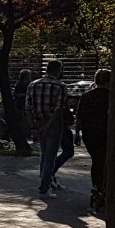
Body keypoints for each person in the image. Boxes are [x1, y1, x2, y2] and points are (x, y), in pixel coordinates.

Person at [25, 60, 67, 198]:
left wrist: (33, 126)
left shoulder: (33, 84)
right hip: (53, 124)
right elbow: (58, 109)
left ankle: (44, 182)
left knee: (43, 155)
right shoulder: (60, 86)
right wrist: (48, 126)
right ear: (58, 70)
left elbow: (28, 107)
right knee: (50, 157)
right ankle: (44, 187)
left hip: (38, 122)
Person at [75, 67, 110, 212]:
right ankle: (103, 187)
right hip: (106, 132)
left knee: (96, 159)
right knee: (105, 160)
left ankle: (96, 186)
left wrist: (77, 134)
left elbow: (79, 116)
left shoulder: (87, 96)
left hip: (90, 133)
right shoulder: (112, 96)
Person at [9, 68, 33, 154]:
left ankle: (28, 133)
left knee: (27, 119)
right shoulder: (19, 84)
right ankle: (24, 134)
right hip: (20, 104)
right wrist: (25, 94)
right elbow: (16, 94)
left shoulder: (29, 84)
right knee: (22, 119)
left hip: (27, 104)